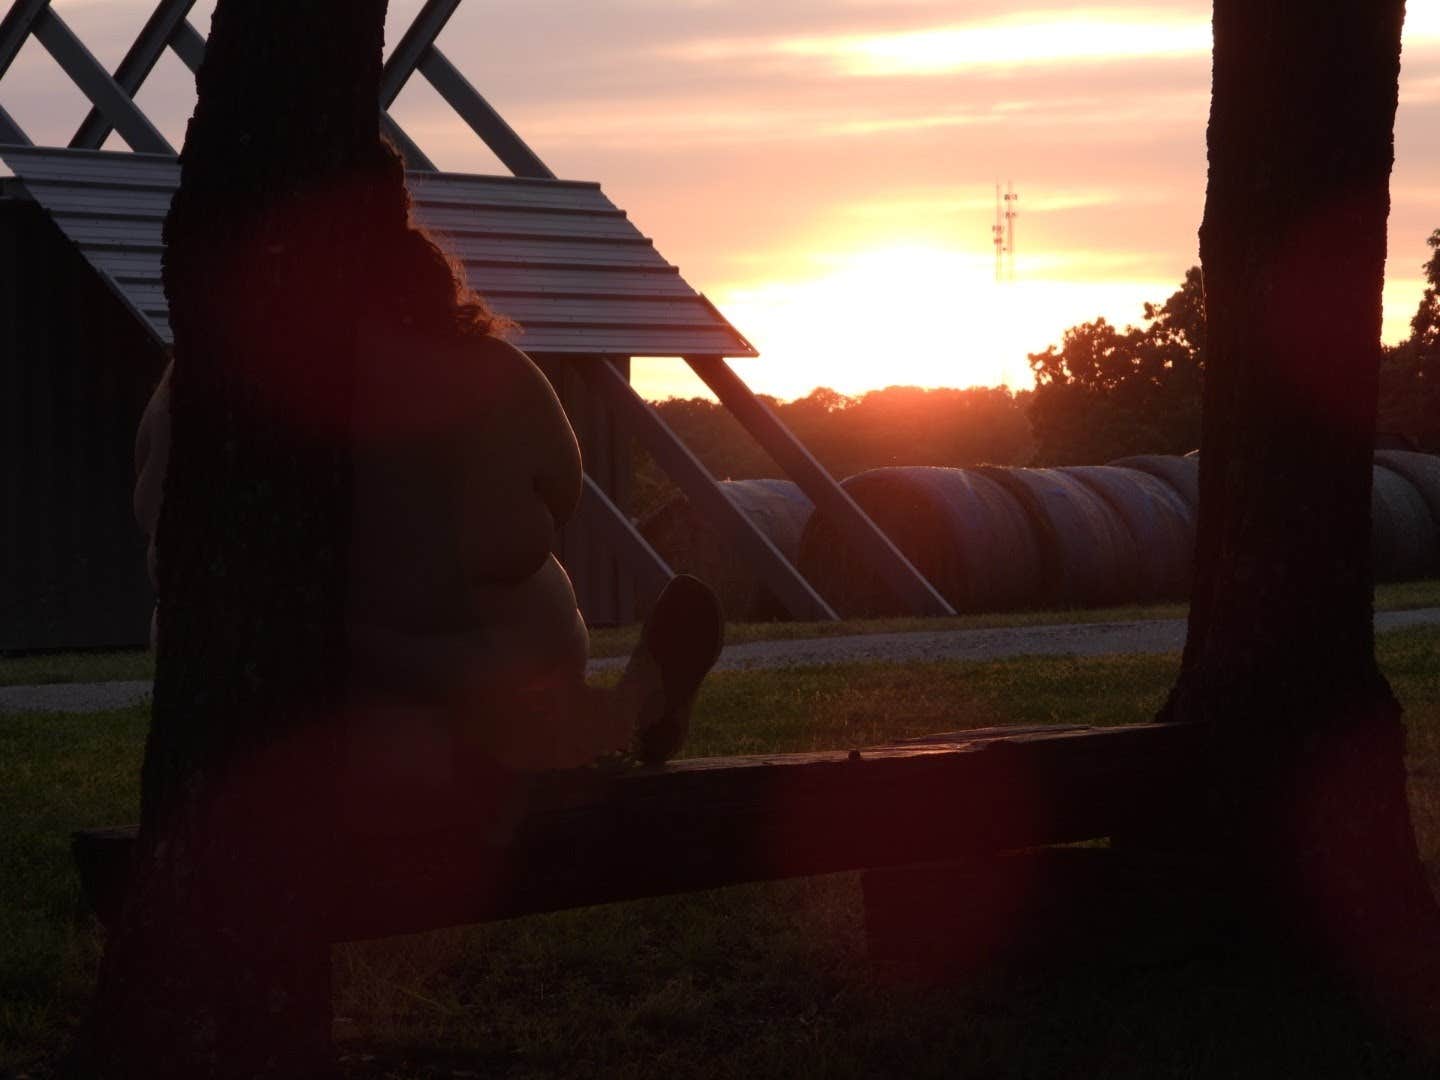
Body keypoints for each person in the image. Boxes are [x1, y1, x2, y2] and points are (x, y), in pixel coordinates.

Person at [133, 213, 723, 833]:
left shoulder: (194, 387)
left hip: (250, 734)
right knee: (508, 714)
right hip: (461, 729)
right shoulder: (487, 375)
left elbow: (153, 513)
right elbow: (560, 493)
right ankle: (635, 708)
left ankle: (622, 712)